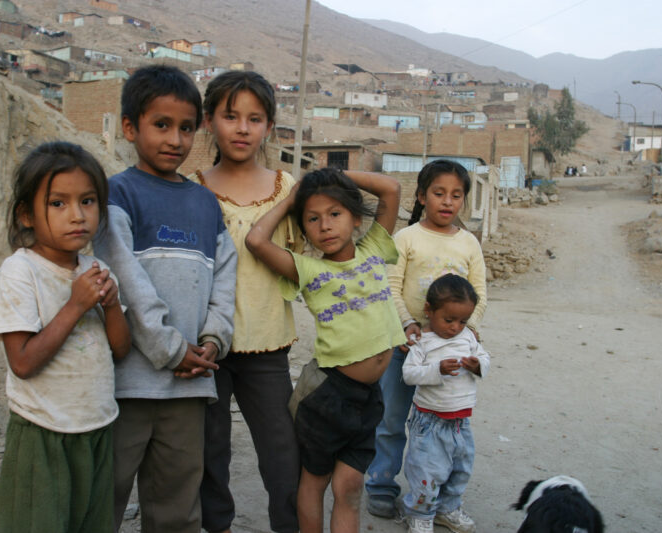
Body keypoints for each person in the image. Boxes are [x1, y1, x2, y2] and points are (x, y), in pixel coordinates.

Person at [92, 65, 237, 533]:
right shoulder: (117, 194)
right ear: (130, 127)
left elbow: (224, 279)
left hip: (189, 384)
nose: (175, 139)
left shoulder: (204, 203)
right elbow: (125, 280)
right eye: (161, 125)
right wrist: (170, 349)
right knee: (104, 494)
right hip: (128, 384)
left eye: (186, 128)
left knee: (177, 501)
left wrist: (214, 339)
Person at [246, 167, 405, 533]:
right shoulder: (308, 269)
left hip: (369, 397)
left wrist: (331, 174)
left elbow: (391, 188)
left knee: (349, 487)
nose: (325, 226)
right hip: (328, 396)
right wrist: (291, 199)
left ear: (355, 218)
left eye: (335, 214)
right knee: (314, 482)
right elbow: (256, 241)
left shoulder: (374, 250)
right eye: (312, 219)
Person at [0, 141, 131, 533]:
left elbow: (121, 349)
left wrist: (112, 305)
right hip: (43, 432)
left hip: (96, 427)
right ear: (26, 214)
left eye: (87, 201)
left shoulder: (96, 269)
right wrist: (75, 307)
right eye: (58, 203)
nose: (77, 216)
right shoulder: (20, 273)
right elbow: (23, 363)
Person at [190, 70, 303, 533]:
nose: (241, 128)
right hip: (205, 349)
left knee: (284, 451)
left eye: (254, 118)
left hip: (268, 345)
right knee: (208, 453)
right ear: (208, 122)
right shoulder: (191, 188)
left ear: (269, 127)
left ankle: (290, 525)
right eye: (230, 116)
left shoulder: (288, 188)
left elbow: (305, 264)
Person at [365, 159, 487, 519]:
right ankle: (382, 485)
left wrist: (469, 330)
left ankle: (437, 493)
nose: (447, 202)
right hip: (406, 346)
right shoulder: (405, 239)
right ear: (421, 196)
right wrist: (405, 325)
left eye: (456, 195)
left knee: (443, 423)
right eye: (438, 193)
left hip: (448, 353)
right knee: (391, 418)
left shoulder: (468, 244)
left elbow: (479, 291)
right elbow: (389, 286)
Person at [400, 274, 490, 533]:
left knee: (460, 469)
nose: (455, 327)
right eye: (448, 320)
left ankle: (447, 508)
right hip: (429, 421)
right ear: (429, 310)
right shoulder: (422, 342)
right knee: (427, 471)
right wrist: (436, 369)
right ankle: (420, 512)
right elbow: (409, 374)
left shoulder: (468, 338)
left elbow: (484, 356)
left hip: (461, 421)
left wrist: (478, 365)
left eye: (462, 321)